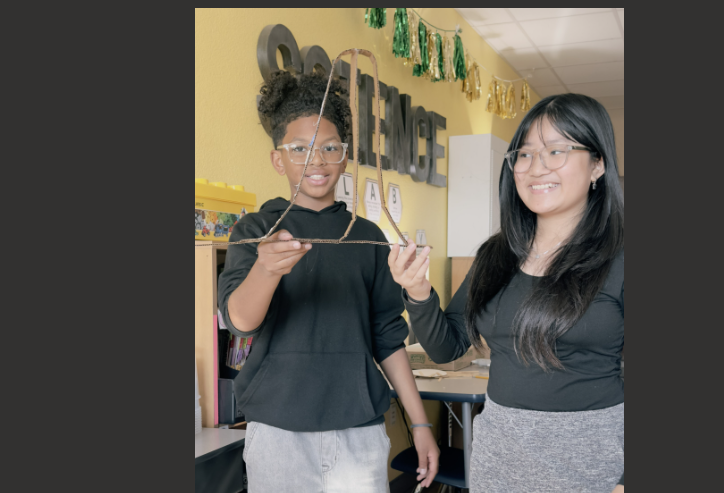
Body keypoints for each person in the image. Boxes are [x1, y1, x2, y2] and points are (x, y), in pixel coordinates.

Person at [390, 93, 625, 493]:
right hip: (499, 456)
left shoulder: (620, 255)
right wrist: (418, 291)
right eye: (525, 154)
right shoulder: (495, 255)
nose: (537, 167)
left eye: (556, 150)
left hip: (593, 463)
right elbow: (448, 348)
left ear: (597, 165)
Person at [218, 71, 439, 493]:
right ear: (277, 159)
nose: (316, 161)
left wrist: (421, 422)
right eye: (299, 149)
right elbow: (239, 323)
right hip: (277, 432)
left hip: (360, 430)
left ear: (345, 155)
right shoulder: (257, 229)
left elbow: (387, 338)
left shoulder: (369, 236)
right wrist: (265, 270)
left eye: (329, 148)